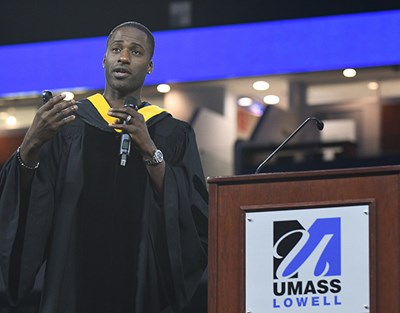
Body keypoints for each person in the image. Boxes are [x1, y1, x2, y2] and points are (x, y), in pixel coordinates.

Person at [0, 21, 208, 313]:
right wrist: (31, 144)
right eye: (117, 49)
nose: (124, 57)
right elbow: (31, 205)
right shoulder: (69, 125)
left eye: (136, 52)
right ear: (104, 59)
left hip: (140, 293)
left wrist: (149, 149)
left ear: (149, 66)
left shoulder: (171, 133)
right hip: (72, 288)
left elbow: (190, 216)